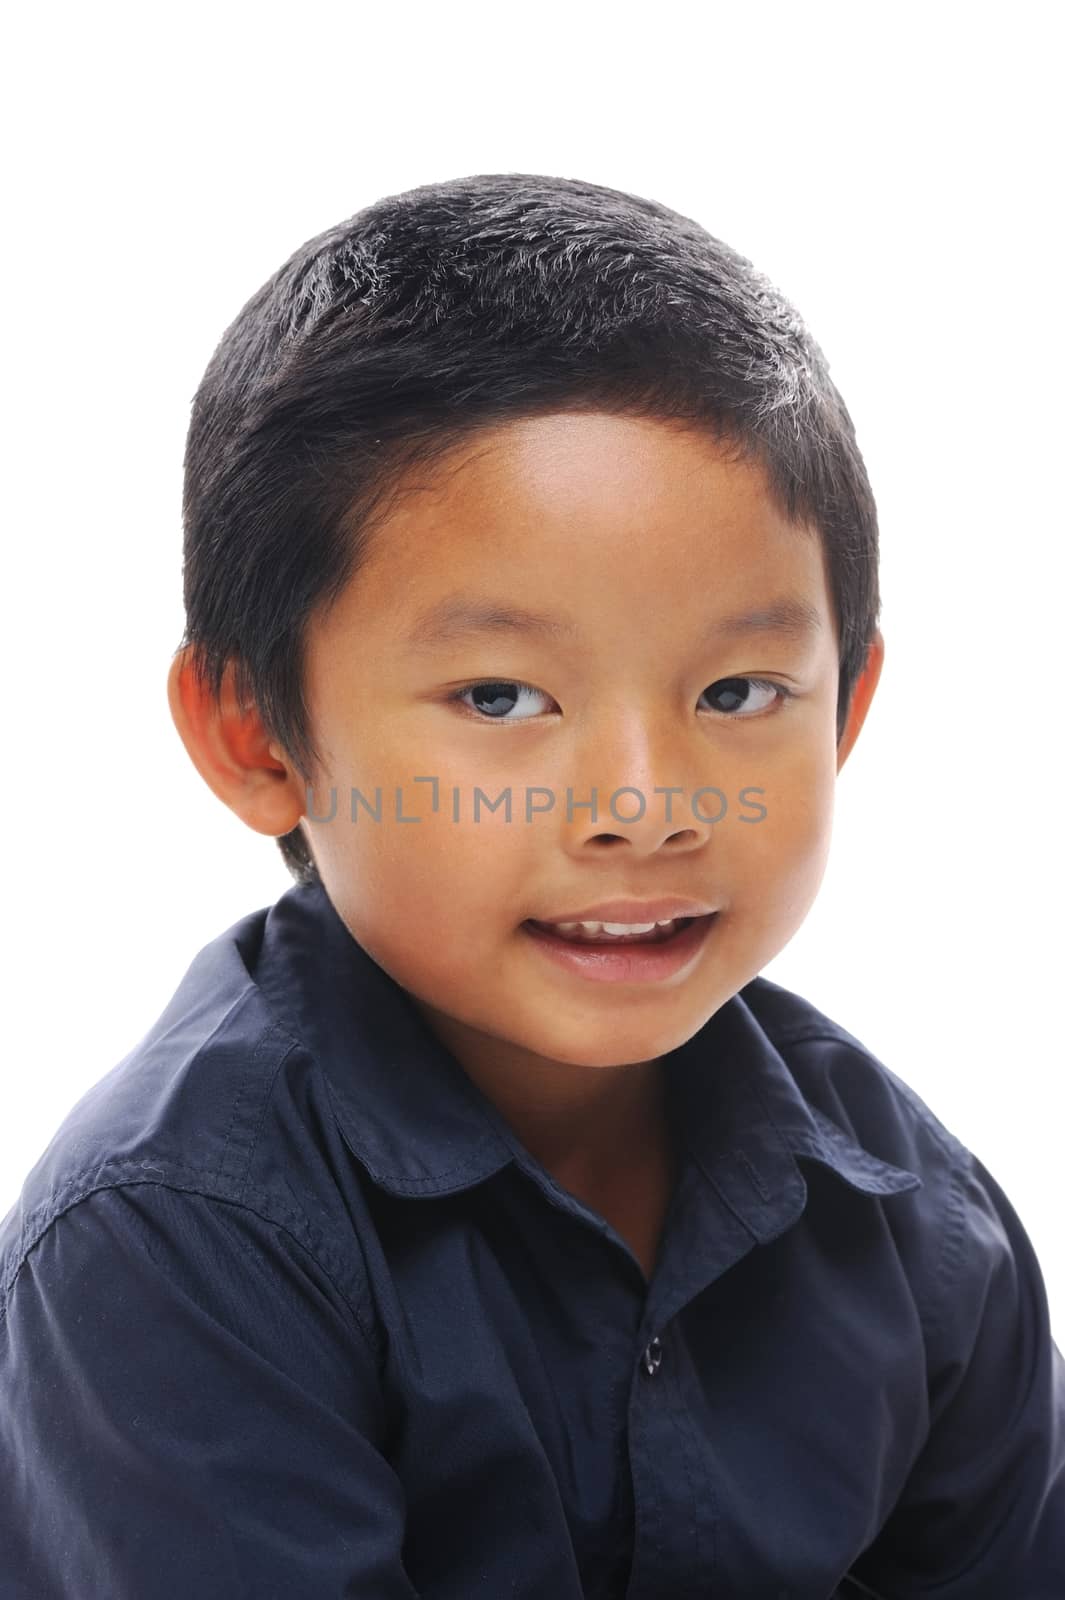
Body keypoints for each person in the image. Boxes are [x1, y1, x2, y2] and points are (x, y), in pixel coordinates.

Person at [1, 173, 1061, 1599]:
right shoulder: (171, 1243)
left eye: (737, 689)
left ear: (846, 709)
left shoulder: (913, 1216)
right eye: (500, 696)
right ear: (259, 736)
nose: (643, 806)